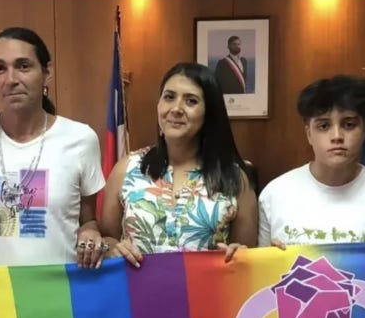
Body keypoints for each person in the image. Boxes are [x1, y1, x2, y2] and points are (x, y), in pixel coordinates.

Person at [0, 27, 106, 269]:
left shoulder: (81, 138)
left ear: (47, 73)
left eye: (23, 66)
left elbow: (88, 221)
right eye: (0, 68)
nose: (11, 79)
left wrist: (90, 234)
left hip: (59, 285)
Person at [100, 62, 257, 266]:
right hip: (137, 286)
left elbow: (250, 255)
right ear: (158, 105)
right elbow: (107, 238)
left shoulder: (234, 178)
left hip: (206, 286)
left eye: (191, 101)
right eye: (169, 97)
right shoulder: (128, 168)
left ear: (209, 112)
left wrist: (240, 255)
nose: (176, 108)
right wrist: (112, 248)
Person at [258, 74, 365, 255]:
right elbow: (259, 267)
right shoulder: (275, 194)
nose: (337, 136)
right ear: (309, 133)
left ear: (364, 130)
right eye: (324, 126)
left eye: (349, 125)